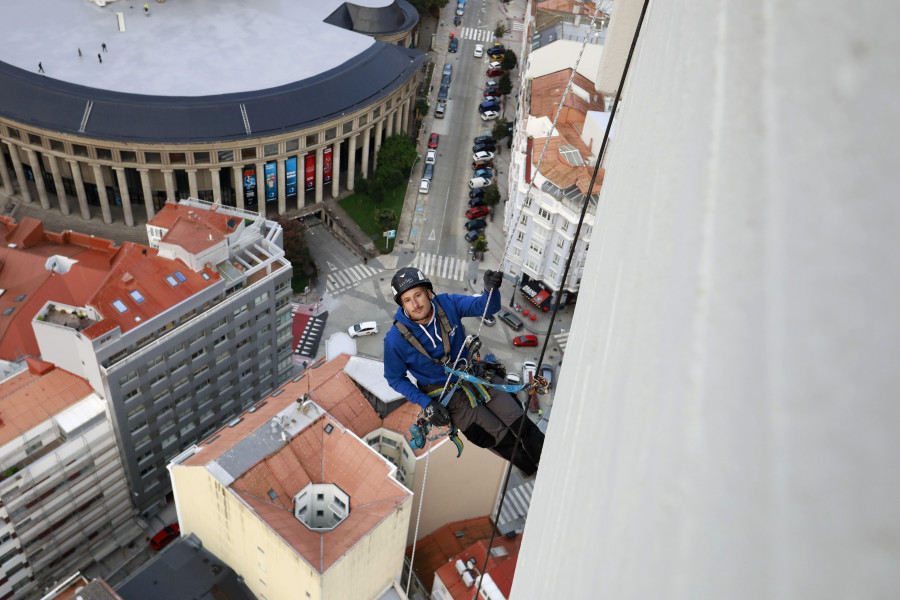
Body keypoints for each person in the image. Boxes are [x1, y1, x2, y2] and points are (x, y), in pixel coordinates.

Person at [383, 267, 544, 476]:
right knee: (497, 438)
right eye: (407, 300)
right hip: (448, 398)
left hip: (475, 376)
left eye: (418, 295)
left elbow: (487, 307)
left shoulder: (447, 304)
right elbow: (394, 378)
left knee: (519, 419)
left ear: (428, 292)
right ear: (402, 304)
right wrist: (427, 404)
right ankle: (533, 471)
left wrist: (489, 289)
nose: (415, 304)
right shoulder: (395, 340)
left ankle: (549, 463)